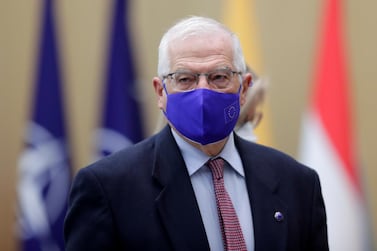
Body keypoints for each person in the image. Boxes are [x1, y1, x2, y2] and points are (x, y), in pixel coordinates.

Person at [64, 16, 328, 251]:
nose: (203, 93)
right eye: (185, 79)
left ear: (245, 88)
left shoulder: (298, 183)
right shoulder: (108, 188)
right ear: (160, 92)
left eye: (219, 77)